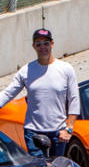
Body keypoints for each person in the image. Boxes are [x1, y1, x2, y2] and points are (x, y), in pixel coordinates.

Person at [0, 29, 80, 158]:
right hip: (33, 132)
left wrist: (69, 128)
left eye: (46, 43)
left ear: (52, 44)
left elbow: (74, 99)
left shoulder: (66, 69)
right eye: (38, 44)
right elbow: (8, 93)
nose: (42, 47)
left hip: (58, 133)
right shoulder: (26, 70)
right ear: (34, 47)